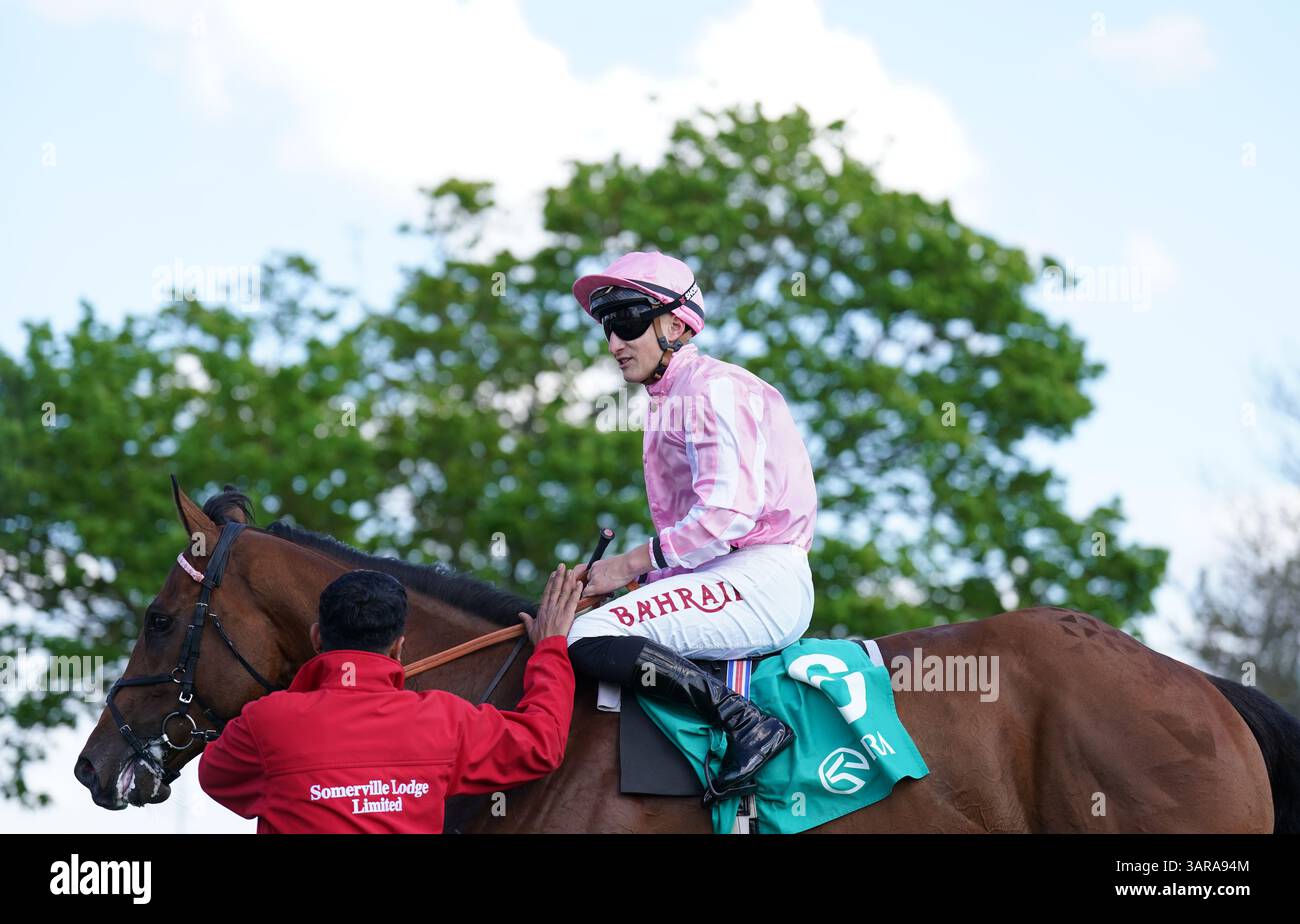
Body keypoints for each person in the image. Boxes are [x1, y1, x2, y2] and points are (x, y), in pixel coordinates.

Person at [567, 250, 819, 804]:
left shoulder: (712, 389)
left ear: (677, 324)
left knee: (588, 637)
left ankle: (747, 723)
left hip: (761, 576)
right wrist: (640, 584)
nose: (614, 343)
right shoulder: (669, 399)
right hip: (732, 574)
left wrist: (624, 567)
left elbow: (728, 515)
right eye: (608, 326)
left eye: (628, 323)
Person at [198, 567, 581, 833]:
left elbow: (216, 777)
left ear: (317, 638)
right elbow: (542, 743)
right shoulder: (443, 720)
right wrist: (549, 647)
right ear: (399, 648)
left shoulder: (268, 721)